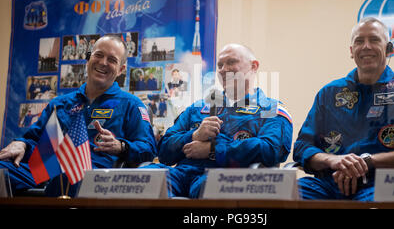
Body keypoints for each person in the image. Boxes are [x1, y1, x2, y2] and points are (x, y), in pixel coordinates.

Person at [293, 17, 394, 201]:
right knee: (282, 195)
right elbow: (302, 147)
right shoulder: (329, 93)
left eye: (374, 40)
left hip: (383, 184)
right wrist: (333, 160)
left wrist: (366, 162)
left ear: (389, 48)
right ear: (351, 51)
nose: (366, 46)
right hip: (329, 184)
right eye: (359, 41)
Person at [0, 35, 157, 196]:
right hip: (45, 169)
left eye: (112, 59)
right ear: (88, 59)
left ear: (121, 70)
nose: (103, 62)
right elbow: (34, 139)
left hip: (94, 176)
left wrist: (121, 147)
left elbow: (149, 149)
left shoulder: (131, 104)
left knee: (69, 176)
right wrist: (21, 144)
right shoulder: (60, 103)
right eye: (98, 55)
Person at [140, 43, 293, 198]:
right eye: (220, 65)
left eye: (231, 62)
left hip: (225, 179)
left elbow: (272, 150)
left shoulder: (270, 108)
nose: (223, 69)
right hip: (180, 175)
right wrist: (193, 136)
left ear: (253, 66)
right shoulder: (198, 107)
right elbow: (165, 152)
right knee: (141, 179)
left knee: (210, 188)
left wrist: (213, 149)